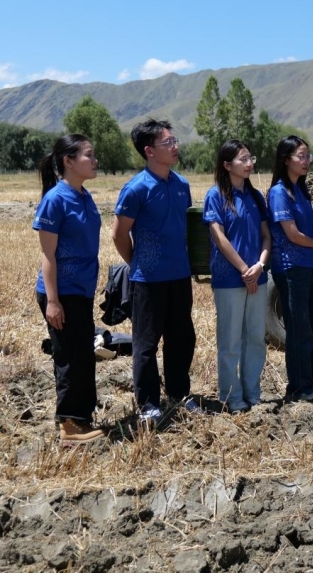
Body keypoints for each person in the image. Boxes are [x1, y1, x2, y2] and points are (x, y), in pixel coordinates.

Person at [112, 119, 197, 425]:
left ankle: (178, 394)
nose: (175, 147)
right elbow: (119, 234)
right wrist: (137, 262)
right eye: (168, 142)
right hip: (148, 280)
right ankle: (148, 404)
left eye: (175, 141)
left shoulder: (182, 185)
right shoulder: (136, 188)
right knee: (146, 345)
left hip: (179, 275)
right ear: (149, 151)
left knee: (182, 338)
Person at [33, 134, 104, 443]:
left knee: (83, 355)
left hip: (81, 291)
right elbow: (47, 255)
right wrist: (53, 301)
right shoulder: (55, 200)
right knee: (70, 357)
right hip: (61, 292)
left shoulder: (84, 195)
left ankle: (81, 419)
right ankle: (69, 426)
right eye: (89, 155)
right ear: (69, 161)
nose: (95, 160)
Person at [203, 140, 271, 413]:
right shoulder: (216, 195)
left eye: (250, 158)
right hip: (229, 279)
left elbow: (266, 236)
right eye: (243, 159)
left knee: (255, 338)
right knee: (230, 341)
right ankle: (232, 397)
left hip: (258, 277)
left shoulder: (256, 197)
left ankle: (253, 393)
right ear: (227, 165)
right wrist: (244, 269)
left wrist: (260, 265)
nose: (249, 163)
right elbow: (219, 237)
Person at [268, 136, 313, 401]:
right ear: (286, 160)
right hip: (290, 267)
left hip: (308, 265)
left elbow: (304, 229)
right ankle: (298, 387)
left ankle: (310, 370)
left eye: (308, 156)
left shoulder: (301, 190)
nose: (307, 161)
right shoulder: (279, 193)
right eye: (301, 156)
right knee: (299, 328)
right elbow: (292, 234)